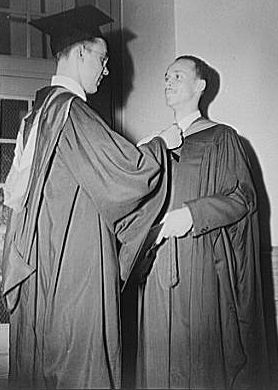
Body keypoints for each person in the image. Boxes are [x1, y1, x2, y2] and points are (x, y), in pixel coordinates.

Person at [0, 6, 181, 389]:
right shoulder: (71, 113)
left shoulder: (34, 116)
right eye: (102, 58)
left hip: (40, 264)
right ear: (80, 53)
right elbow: (127, 175)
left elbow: (13, 197)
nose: (107, 69)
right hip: (72, 266)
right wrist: (161, 143)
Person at [135, 55, 270, 389]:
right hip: (156, 270)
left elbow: (242, 198)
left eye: (177, 76)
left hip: (200, 266)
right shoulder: (157, 144)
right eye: (166, 76)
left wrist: (192, 214)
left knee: (198, 363)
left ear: (200, 86)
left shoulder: (222, 138)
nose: (168, 81)